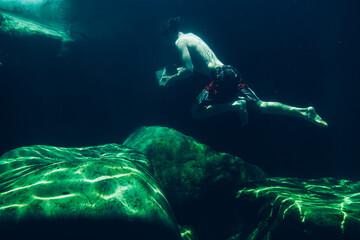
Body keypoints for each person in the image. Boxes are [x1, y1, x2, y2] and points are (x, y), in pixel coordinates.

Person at [158, 17, 328, 127]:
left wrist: (173, 79)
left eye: (165, 38)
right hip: (231, 72)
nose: (166, 42)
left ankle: (235, 105)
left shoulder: (180, 42)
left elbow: (189, 70)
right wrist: (178, 71)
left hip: (219, 77)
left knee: (196, 112)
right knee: (260, 106)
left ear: (169, 33)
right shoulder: (191, 36)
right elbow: (202, 62)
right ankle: (303, 111)